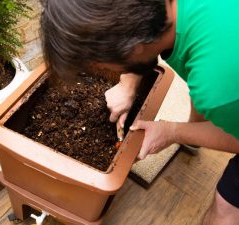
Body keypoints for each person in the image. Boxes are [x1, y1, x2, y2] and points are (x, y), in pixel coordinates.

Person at [39, 0, 239, 224]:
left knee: (226, 210)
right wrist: (128, 86)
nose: (102, 71)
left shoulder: (217, 88)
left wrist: (172, 131)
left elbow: (235, 139)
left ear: (134, 48)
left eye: (101, 65)